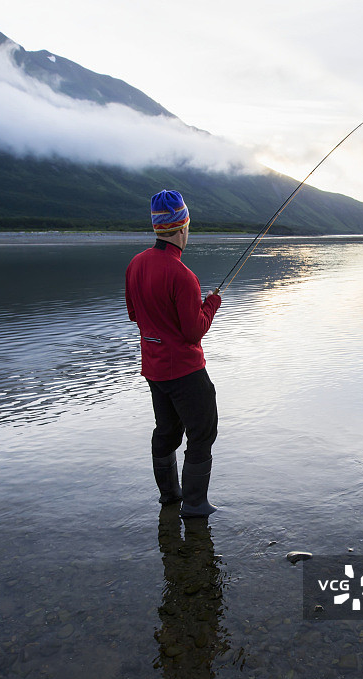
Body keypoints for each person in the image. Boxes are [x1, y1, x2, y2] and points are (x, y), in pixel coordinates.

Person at [125, 190, 222, 517]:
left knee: (166, 431)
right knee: (203, 431)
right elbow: (194, 330)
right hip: (185, 371)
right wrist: (211, 305)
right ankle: (195, 504)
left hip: (154, 370)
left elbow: (134, 315)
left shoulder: (136, 265)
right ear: (182, 228)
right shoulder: (183, 275)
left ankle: (170, 497)